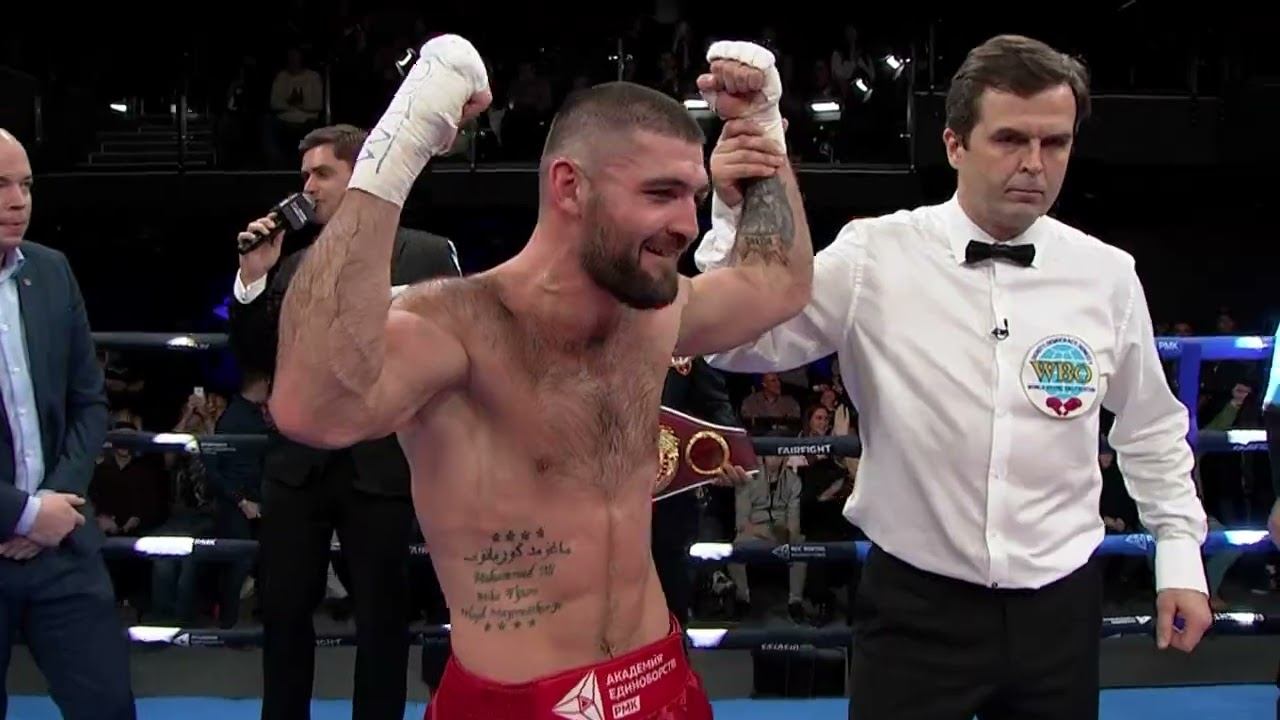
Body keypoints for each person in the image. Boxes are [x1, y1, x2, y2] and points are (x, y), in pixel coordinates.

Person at [269, 35, 811, 720]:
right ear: (569, 187)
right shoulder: (458, 324)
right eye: (661, 193)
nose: (686, 223)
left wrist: (762, 130)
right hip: (515, 702)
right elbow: (312, 409)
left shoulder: (654, 312)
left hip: (659, 678)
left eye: (693, 195)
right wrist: (398, 148)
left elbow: (776, 282)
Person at [693, 34, 1213, 720]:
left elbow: (1149, 424)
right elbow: (737, 345)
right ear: (954, 144)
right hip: (915, 608)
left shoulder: (1107, 275)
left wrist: (1179, 553)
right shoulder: (875, 255)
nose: (1034, 163)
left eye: (1055, 142)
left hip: (1059, 608)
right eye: (1010, 139)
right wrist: (737, 209)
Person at [227, 123, 462, 720]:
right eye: (304, 175)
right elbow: (256, 362)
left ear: (362, 176)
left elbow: (457, 348)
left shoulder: (427, 253)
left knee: (383, 617)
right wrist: (253, 278)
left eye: (322, 173)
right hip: (297, 465)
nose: (307, 186)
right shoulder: (292, 263)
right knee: (283, 611)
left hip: (381, 461)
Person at [0, 129, 135, 719]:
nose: (18, 201)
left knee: (108, 706)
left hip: (61, 542)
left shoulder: (51, 271)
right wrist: (23, 514)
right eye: (0, 185)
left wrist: (54, 503)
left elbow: (88, 402)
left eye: (26, 185)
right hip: (26, 523)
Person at [654, 355, 746, 626]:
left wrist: (725, 453)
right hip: (600, 494)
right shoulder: (591, 336)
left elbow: (715, 405)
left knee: (670, 597)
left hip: (669, 499)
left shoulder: (684, 341)